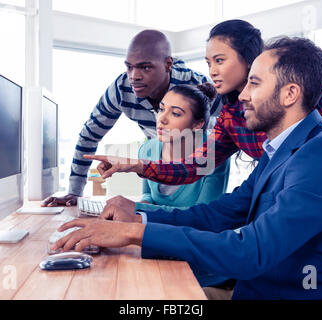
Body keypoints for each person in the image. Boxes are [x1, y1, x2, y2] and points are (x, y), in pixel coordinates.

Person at [51, 37, 322, 300]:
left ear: (290, 94)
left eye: (255, 84)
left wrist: (134, 232)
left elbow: (251, 250)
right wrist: (138, 217)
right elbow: (215, 215)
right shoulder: (278, 152)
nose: (242, 95)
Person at [83, 20, 322, 222]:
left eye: (220, 60)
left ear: (250, 59)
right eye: (208, 62)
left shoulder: (306, 89)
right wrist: (133, 166)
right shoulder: (229, 116)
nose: (212, 71)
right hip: (284, 209)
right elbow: (194, 166)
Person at [41, 29, 222, 207]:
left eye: (145, 67)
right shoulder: (122, 89)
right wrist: (75, 191)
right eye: (129, 67)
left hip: (199, 170)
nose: (134, 76)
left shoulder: (196, 86)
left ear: (168, 64)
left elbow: (234, 128)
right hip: (158, 163)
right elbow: (90, 135)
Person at [105, 83, 231, 288]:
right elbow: (148, 196)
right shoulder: (147, 149)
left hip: (199, 265)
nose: (161, 119)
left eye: (176, 113)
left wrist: (135, 209)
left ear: (197, 124)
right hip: (159, 249)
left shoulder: (213, 157)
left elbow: (202, 219)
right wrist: (135, 208)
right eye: (161, 108)